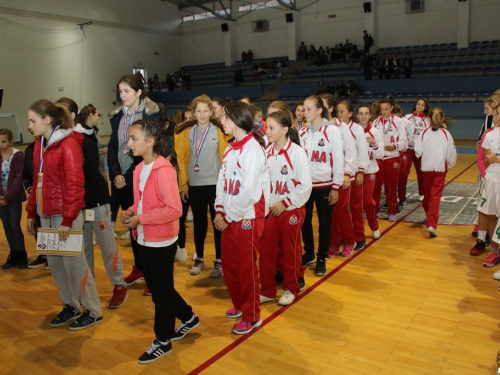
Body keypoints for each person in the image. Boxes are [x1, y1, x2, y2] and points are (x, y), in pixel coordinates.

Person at [120, 118, 199, 364]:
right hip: (144, 236)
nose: (130, 142)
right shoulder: (139, 169)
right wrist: (132, 211)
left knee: (160, 293)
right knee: (159, 287)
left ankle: (162, 339)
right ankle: (188, 317)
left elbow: (174, 209)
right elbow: (143, 201)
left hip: (161, 240)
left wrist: (141, 218)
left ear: (150, 142)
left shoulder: (164, 170)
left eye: (134, 138)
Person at [26, 99, 103, 330]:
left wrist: (68, 219)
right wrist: (32, 212)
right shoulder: (40, 144)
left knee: (76, 265)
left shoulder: (68, 143)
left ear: (47, 120)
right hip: (46, 214)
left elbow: (75, 184)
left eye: (32, 120)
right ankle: (70, 305)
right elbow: (37, 182)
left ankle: (93, 310)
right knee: (56, 265)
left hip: (64, 216)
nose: (29, 125)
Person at [213, 101, 269, 335]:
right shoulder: (230, 147)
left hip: (247, 215)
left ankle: (252, 315)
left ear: (236, 119)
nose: (222, 122)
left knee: (246, 267)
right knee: (230, 263)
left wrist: (229, 216)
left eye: (225, 118)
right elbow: (222, 182)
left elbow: (248, 192)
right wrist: (219, 209)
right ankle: (240, 304)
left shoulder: (253, 150)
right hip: (229, 214)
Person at [108, 74, 162, 295]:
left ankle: (152, 274)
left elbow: (150, 149)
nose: (123, 96)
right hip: (121, 179)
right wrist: (115, 173)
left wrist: (128, 175)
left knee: (145, 227)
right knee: (132, 226)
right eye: (120, 91)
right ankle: (139, 268)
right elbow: (113, 147)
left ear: (139, 92)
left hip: (140, 178)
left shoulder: (150, 115)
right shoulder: (117, 116)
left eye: (127, 91)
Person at [75, 104, 128, 308]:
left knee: (107, 246)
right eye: (97, 113)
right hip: (81, 203)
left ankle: (119, 284)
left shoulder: (90, 136)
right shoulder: (75, 139)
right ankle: (89, 288)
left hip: (98, 201)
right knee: (86, 246)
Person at [259, 110, 312, 306]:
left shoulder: (297, 153)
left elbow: (305, 186)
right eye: (267, 127)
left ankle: (291, 287)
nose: (268, 131)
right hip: (271, 210)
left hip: (291, 208)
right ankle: (267, 289)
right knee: (266, 250)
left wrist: (285, 203)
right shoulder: (266, 152)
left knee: (291, 250)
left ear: (285, 129)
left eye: (271, 128)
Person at [174, 95, 228, 277]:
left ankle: (220, 260)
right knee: (199, 223)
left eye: (206, 111)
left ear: (211, 112)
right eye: (199, 111)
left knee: (217, 222)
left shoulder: (220, 131)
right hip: (195, 184)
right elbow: (182, 160)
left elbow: (226, 159)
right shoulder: (187, 132)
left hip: (215, 185)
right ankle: (199, 257)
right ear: (193, 113)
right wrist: (183, 185)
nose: (202, 114)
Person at [299, 96, 344, 276]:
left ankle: (321, 258)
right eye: (303, 109)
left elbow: (338, 159)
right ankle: (309, 253)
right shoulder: (301, 133)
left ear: (319, 110)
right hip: (306, 186)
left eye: (309, 109)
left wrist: (336, 186)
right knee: (304, 222)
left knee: (325, 223)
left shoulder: (332, 131)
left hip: (325, 185)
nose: (305, 112)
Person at [319, 94, 357, 258]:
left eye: (323, 105)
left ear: (331, 108)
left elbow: (350, 152)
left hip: (342, 176)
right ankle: (333, 243)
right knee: (330, 214)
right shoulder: (317, 128)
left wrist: (347, 174)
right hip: (325, 177)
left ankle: (350, 240)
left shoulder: (342, 128)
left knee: (341, 210)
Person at [414, 108, 457, 237]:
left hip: (427, 169)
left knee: (431, 196)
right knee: (433, 196)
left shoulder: (424, 133)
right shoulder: (446, 134)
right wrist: (449, 165)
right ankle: (431, 221)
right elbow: (451, 153)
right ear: (442, 119)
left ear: (428, 119)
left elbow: (418, 152)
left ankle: (431, 222)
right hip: (439, 169)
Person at [336, 101, 370, 251]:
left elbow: (362, 151)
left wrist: (361, 171)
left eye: (342, 111)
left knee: (356, 207)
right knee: (341, 209)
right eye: (337, 111)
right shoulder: (334, 129)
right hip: (339, 174)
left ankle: (359, 236)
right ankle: (345, 236)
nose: (339, 114)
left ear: (350, 113)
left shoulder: (357, 130)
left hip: (354, 173)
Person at [372, 96, 408, 222]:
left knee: (391, 187)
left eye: (386, 109)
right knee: (376, 187)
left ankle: (392, 211)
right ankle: (374, 210)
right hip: (380, 158)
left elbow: (404, 142)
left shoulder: (398, 122)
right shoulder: (376, 122)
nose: (384, 111)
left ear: (392, 108)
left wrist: (395, 146)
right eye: (382, 109)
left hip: (393, 157)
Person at [472, 103, 500, 266]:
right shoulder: (490, 135)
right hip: (491, 181)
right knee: (490, 215)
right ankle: (494, 251)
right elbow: (482, 158)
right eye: (495, 114)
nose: (496, 117)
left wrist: (497, 160)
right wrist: (487, 171)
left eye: (499, 114)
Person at [0, 128, 27, 270]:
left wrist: (7, 197)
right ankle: (13, 255)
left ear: (10, 141)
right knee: (6, 227)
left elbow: (18, 179)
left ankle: (22, 255)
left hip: (13, 199)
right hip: (1, 200)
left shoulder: (17, 156)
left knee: (14, 226)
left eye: (3, 141)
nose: (0, 144)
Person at [356, 104, 384, 241]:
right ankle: (358, 230)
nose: (363, 116)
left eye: (366, 113)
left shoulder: (375, 132)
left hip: (370, 170)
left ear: (370, 115)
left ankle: (374, 226)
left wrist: (374, 144)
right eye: (361, 113)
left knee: (368, 201)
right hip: (354, 171)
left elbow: (380, 155)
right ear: (356, 115)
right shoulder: (352, 131)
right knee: (355, 204)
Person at [403, 98, 431, 204]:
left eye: (422, 105)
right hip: (408, 149)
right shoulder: (407, 117)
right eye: (418, 104)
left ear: (425, 107)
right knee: (404, 172)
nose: (420, 106)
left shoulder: (428, 120)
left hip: (420, 150)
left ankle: (422, 193)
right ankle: (401, 194)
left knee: (421, 172)